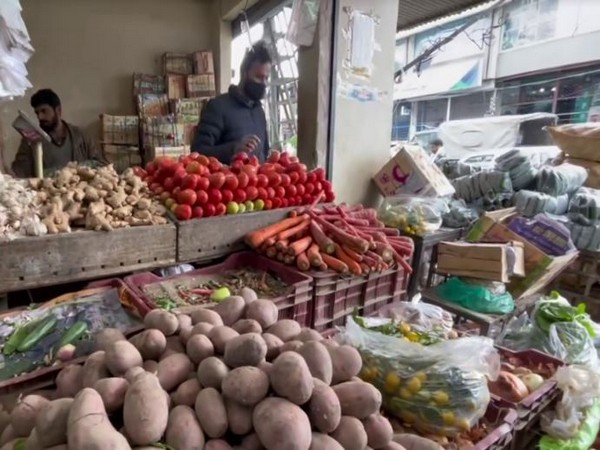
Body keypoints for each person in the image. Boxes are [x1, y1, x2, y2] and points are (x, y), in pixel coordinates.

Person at [191, 41, 271, 164]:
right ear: (244, 74)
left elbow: (264, 153)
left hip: (257, 182)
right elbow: (198, 152)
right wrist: (234, 149)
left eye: (266, 78)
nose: (264, 83)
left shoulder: (259, 111)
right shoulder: (217, 107)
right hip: (226, 181)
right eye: (259, 77)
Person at [12, 89, 105, 178]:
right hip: (46, 192)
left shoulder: (81, 136)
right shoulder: (31, 140)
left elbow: (100, 165)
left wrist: (79, 169)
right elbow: (19, 172)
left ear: (58, 111)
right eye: (37, 113)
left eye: (44, 111)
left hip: (78, 191)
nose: (40, 117)